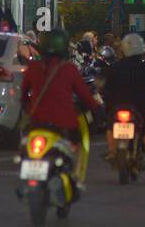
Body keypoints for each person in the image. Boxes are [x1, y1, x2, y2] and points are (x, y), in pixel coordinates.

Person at [19, 28, 102, 186]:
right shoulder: (69, 69)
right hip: (63, 125)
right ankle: (73, 178)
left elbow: (23, 95)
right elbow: (85, 96)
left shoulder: (34, 67)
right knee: (75, 147)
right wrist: (97, 110)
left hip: (36, 123)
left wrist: (28, 108)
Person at [102, 33, 145, 171]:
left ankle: (112, 152)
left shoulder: (114, 68)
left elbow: (105, 87)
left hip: (118, 108)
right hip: (142, 109)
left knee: (110, 126)